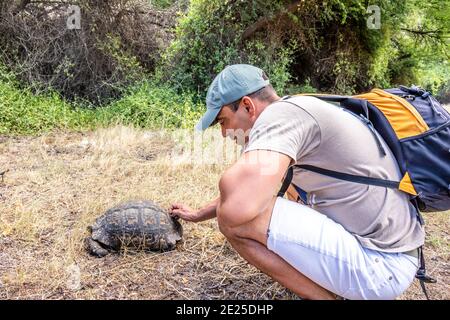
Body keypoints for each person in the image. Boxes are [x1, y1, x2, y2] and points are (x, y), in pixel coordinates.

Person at [168, 64, 424, 300]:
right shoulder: (296, 108)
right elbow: (253, 189)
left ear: (248, 106)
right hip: (394, 254)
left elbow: (238, 208)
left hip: (380, 266)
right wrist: (201, 213)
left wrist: (226, 190)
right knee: (276, 192)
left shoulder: (278, 119)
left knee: (234, 221)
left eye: (223, 121)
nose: (224, 133)